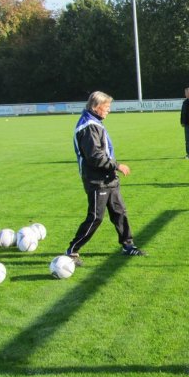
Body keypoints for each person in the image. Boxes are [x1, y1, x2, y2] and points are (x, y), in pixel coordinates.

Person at [65, 91, 146, 266]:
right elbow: (95, 157)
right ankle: (72, 250)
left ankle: (128, 246)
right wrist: (117, 165)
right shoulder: (88, 126)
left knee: (119, 212)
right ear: (96, 107)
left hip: (108, 178)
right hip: (97, 180)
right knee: (96, 217)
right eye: (107, 106)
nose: (109, 110)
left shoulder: (94, 123)